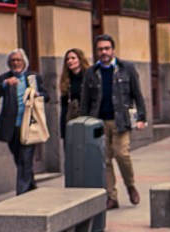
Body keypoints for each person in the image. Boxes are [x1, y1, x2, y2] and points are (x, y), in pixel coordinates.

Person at [80, 34, 147, 210]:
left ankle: (130, 185)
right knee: (105, 160)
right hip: (99, 122)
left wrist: (142, 117)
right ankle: (111, 196)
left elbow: (137, 94)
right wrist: (83, 122)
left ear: (113, 50)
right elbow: (85, 101)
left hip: (121, 121)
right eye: (100, 49)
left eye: (107, 48)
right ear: (96, 51)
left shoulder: (127, 68)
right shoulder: (91, 72)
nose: (104, 52)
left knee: (122, 154)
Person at [0, 48, 49, 195]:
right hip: (12, 127)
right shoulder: (4, 78)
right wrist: (5, 84)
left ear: (24, 62)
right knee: (19, 159)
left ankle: (21, 194)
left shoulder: (34, 78)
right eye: (13, 61)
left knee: (25, 159)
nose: (16, 63)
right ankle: (31, 187)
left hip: (29, 126)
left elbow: (47, 96)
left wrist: (37, 94)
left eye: (18, 60)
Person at [60, 48, 90, 145]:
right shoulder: (66, 80)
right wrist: (63, 129)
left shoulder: (89, 76)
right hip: (72, 120)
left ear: (80, 59)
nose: (70, 61)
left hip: (87, 118)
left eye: (73, 58)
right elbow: (64, 106)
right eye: (68, 59)